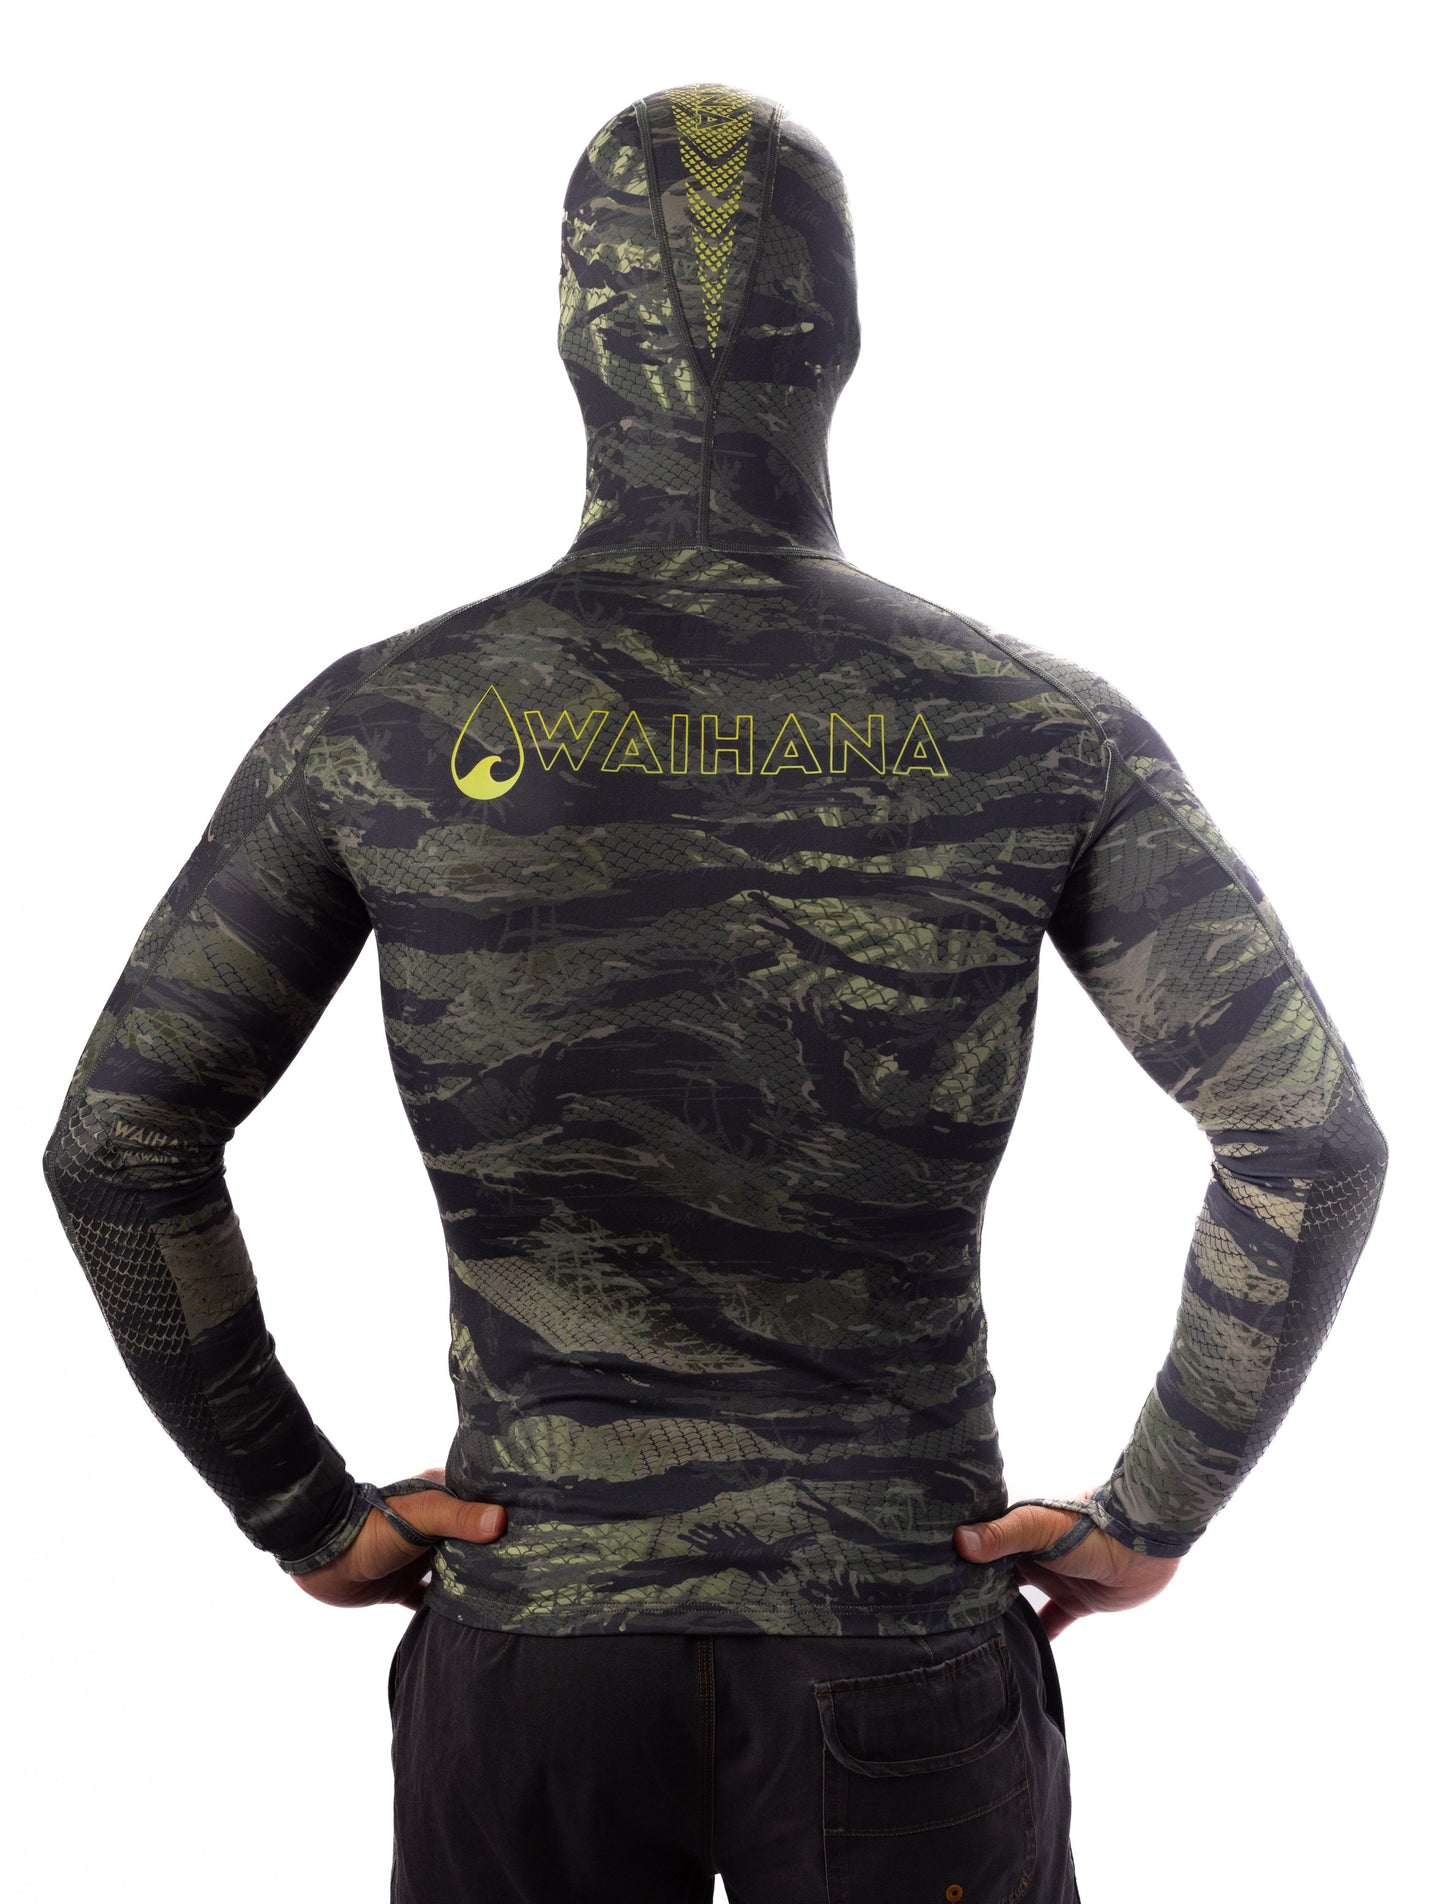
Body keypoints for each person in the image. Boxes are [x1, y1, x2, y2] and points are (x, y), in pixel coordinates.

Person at [41, 80, 1388, 1904]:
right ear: (839, 342)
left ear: (573, 343)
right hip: (890, 1636)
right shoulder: (1032, 723)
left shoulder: (382, 723)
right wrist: (1158, 1508)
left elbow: (122, 1146)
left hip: (531, 1659)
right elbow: (1306, 1139)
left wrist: (300, 1508)